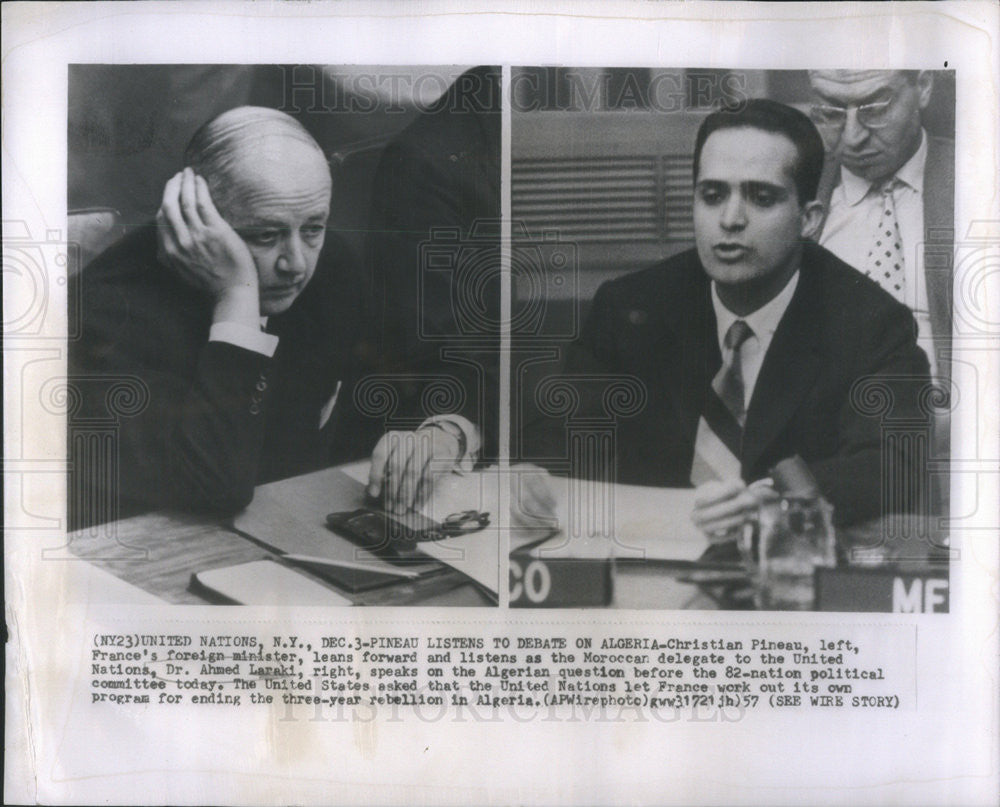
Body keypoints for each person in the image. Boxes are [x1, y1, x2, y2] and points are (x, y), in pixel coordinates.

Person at [530, 99, 932, 538]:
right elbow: (557, 439)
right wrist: (533, 476)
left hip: (776, 567)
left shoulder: (872, 323)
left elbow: (891, 464)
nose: (730, 220)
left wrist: (780, 501)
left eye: (762, 198)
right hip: (648, 564)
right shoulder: (628, 306)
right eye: (713, 195)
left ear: (809, 219)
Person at [69, 106, 474, 528]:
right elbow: (216, 486)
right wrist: (236, 297)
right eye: (265, 235)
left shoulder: (331, 267)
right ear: (198, 220)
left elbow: (421, 369)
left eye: (313, 227)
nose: (296, 264)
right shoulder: (107, 315)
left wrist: (442, 434)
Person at [809, 70, 954, 382]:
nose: (852, 138)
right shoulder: (794, 191)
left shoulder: (981, 180)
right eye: (831, 111)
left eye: (874, 109)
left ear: (924, 87)